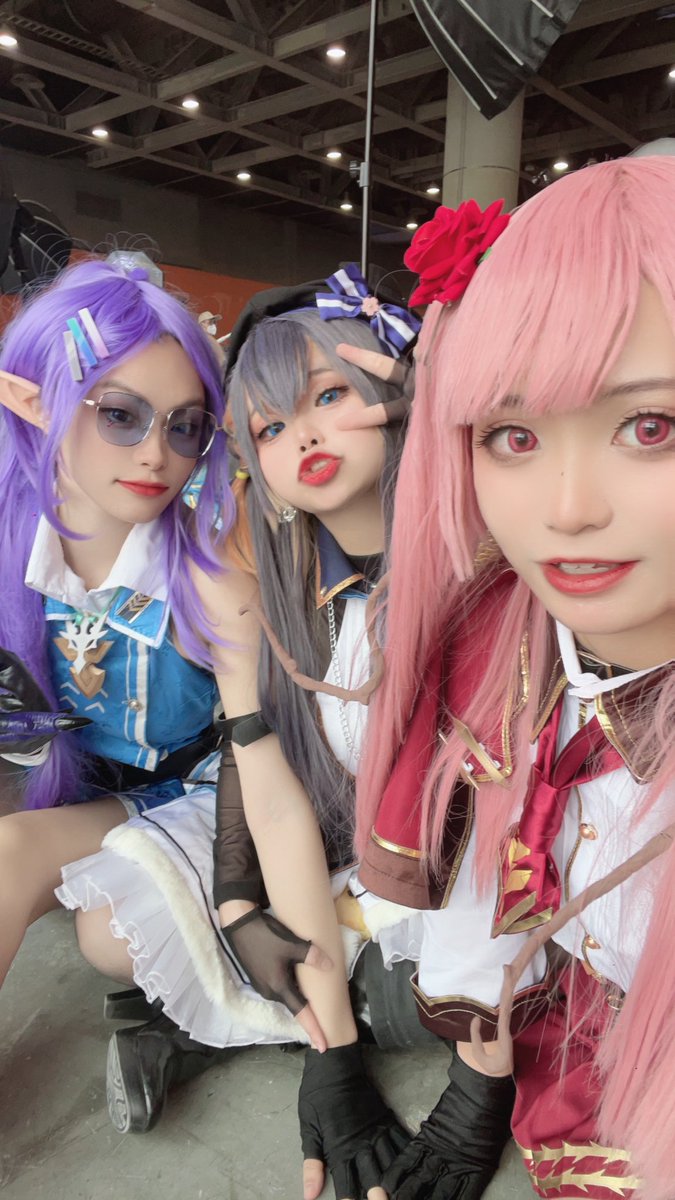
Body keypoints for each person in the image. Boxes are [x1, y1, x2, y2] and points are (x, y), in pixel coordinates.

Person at [58, 269, 426, 1200]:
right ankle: (285, 1016)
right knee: (110, 933)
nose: (301, 436)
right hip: (325, 827)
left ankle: (196, 1028)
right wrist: (237, 909)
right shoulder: (252, 557)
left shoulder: (474, 528)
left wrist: (450, 399)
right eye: (266, 427)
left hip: (457, 851)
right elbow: (257, 754)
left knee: (465, 992)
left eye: (329, 396)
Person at [351, 156, 675, 1200]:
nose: (567, 509)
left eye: (651, 426)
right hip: (564, 1048)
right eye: (514, 435)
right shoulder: (494, 642)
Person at [0, 256, 232, 990]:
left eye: (184, 426)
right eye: (120, 415)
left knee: (112, 934)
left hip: (206, 791)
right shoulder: (12, 548)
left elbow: (266, 748)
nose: (156, 455)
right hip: (82, 792)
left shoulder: (216, 565)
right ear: (32, 401)